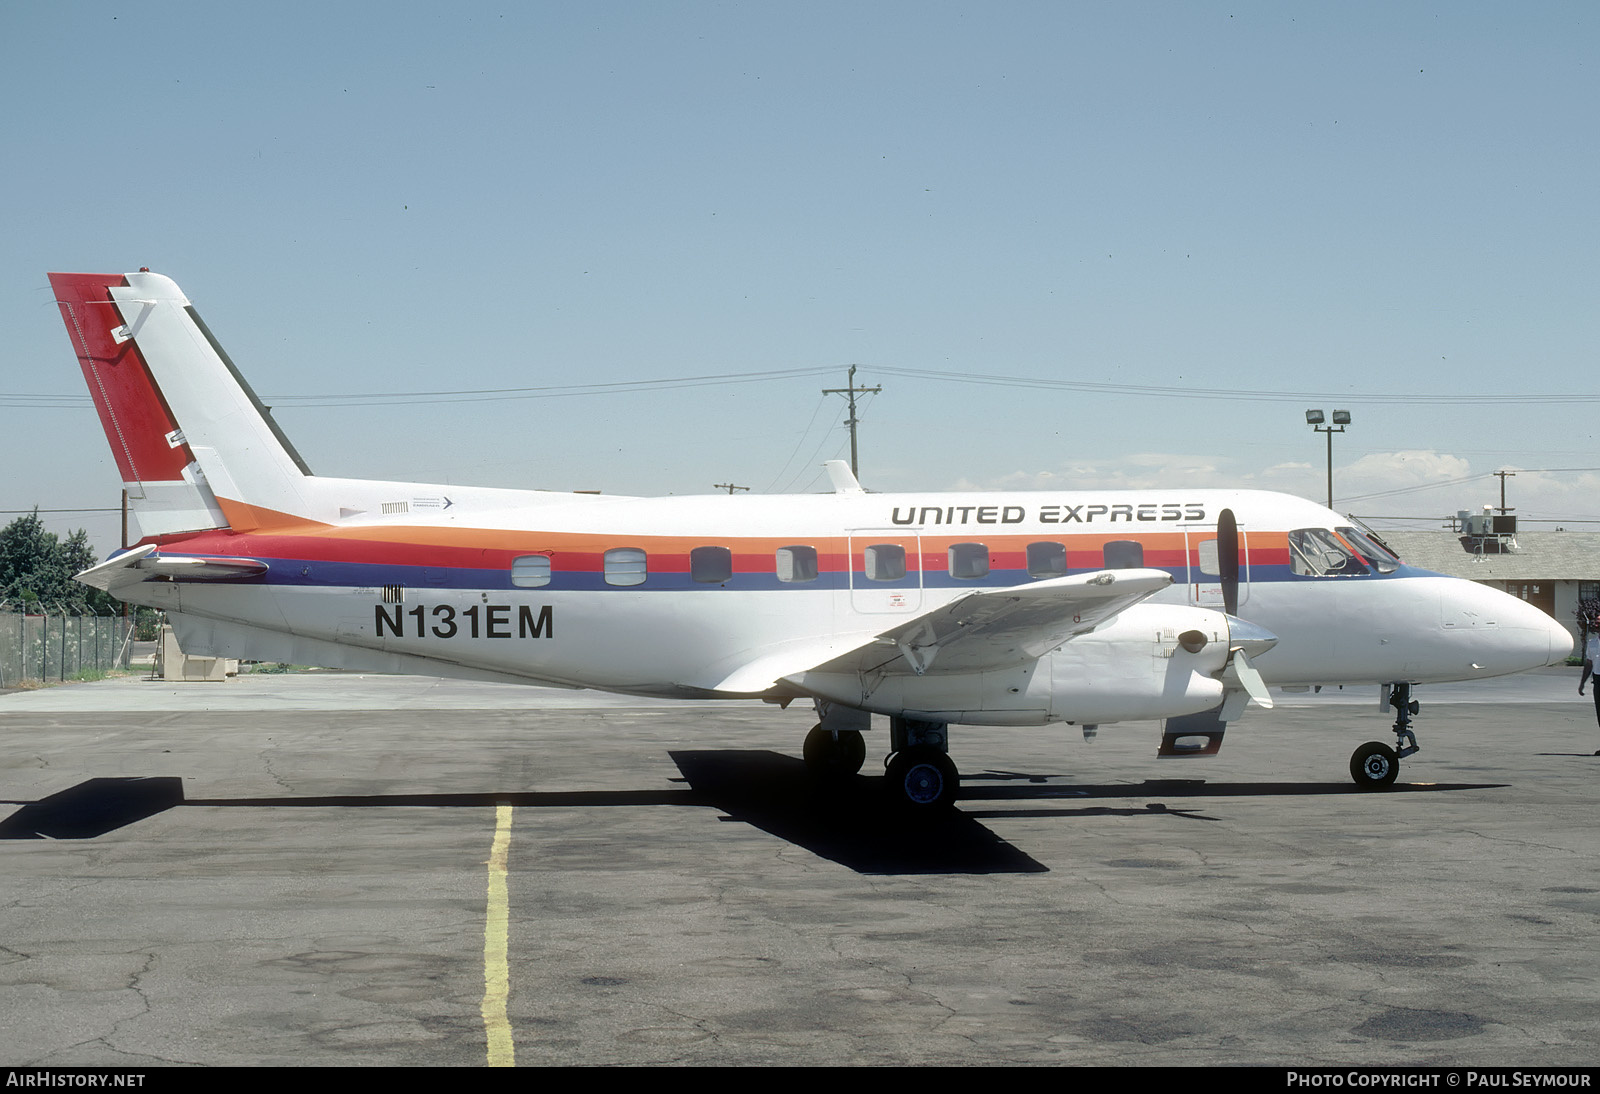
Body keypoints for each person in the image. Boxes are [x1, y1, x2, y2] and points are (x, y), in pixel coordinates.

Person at [1581, 620, 1600, 754]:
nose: (1596, 625)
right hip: (1598, 680)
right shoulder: (1592, 643)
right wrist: (1582, 683)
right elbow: (1589, 663)